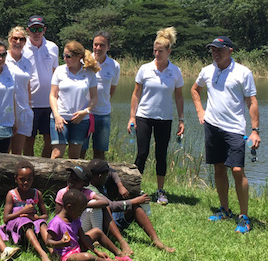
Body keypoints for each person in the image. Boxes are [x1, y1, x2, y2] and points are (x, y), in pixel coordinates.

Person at [191, 36, 260, 234]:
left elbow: (252, 102)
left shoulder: (243, 73)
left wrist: (255, 131)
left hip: (235, 129)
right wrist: (200, 111)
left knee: (237, 170)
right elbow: (195, 90)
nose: (215, 53)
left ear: (230, 50)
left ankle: (244, 217)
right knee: (219, 168)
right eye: (212, 49)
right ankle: (225, 210)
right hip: (212, 126)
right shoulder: (207, 70)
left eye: (219, 49)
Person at [128, 27, 185, 205]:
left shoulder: (175, 71)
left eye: (161, 51)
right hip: (144, 116)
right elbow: (136, 94)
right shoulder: (145, 69)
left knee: (161, 154)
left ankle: (160, 191)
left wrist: (181, 119)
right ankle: (134, 189)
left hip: (165, 119)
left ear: (169, 51)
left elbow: (179, 96)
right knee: (142, 153)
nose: (157, 53)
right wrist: (132, 117)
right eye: (155, 50)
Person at [86, 159, 175, 253]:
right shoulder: (90, 189)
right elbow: (110, 205)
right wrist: (134, 201)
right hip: (96, 226)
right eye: (105, 176)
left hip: (109, 221)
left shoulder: (96, 177)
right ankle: (122, 242)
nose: (107, 177)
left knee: (135, 208)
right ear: (100, 176)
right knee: (106, 207)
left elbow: (112, 171)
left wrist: (120, 185)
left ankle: (156, 241)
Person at [47, 189, 125, 261]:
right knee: (87, 257)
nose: (80, 214)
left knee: (96, 231)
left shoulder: (75, 219)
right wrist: (60, 243)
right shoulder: (56, 223)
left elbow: (83, 237)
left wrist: (96, 251)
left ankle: (119, 254)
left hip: (76, 248)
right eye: (80, 211)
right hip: (65, 257)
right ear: (69, 207)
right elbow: (48, 242)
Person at [49, 41, 99, 159]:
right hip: (60, 118)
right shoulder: (60, 70)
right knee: (57, 154)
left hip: (80, 119)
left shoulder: (89, 73)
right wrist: (56, 115)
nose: (65, 59)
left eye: (68, 56)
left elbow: (94, 97)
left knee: (74, 157)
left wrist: (86, 111)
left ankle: (71, 178)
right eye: (64, 56)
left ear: (78, 56)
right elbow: (52, 95)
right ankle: (52, 177)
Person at [0, 161, 54, 261]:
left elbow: (45, 215)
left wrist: (35, 218)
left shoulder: (36, 193)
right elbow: (6, 218)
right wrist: (22, 211)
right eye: (22, 179)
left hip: (33, 222)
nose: (25, 182)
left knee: (42, 223)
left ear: (33, 179)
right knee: (25, 223)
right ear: (16, 179)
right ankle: (43, 254)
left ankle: (53, 251)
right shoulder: (12, 194)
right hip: (17, 226)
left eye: (29, 179)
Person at [22, 15, 59, 157]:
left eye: (39, 29)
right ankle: (29, 168)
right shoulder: (23, 48)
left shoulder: (52, 47)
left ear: (44, 30)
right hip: (29, 103)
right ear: (28, 31)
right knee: (28, 139)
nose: (36, 33)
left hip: (49, 102)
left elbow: (56, 73)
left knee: (49, 140)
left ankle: (44, 166)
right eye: (33, 29)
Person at [81, 31, 120, 160]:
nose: (98, 48)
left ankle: (97, 178)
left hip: (103, 114)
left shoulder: (114, 66)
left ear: (108, 47)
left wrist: (102, 100)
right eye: (95, 44)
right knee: (81, 150)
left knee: (99, 152)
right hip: (84, 113)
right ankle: (79, 179)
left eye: (102, 45)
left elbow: (111, 90)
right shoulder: (83, 63)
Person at [5, 26, 34, 155]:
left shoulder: (27, 63)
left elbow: (27, 84)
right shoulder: (2, 59)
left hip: (23, 109)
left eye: (21, 39)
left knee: (17, 151)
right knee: (4, 150)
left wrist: (29, 104)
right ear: (9, 40)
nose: (18, 42)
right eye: (15, 38)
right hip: (7, 109)